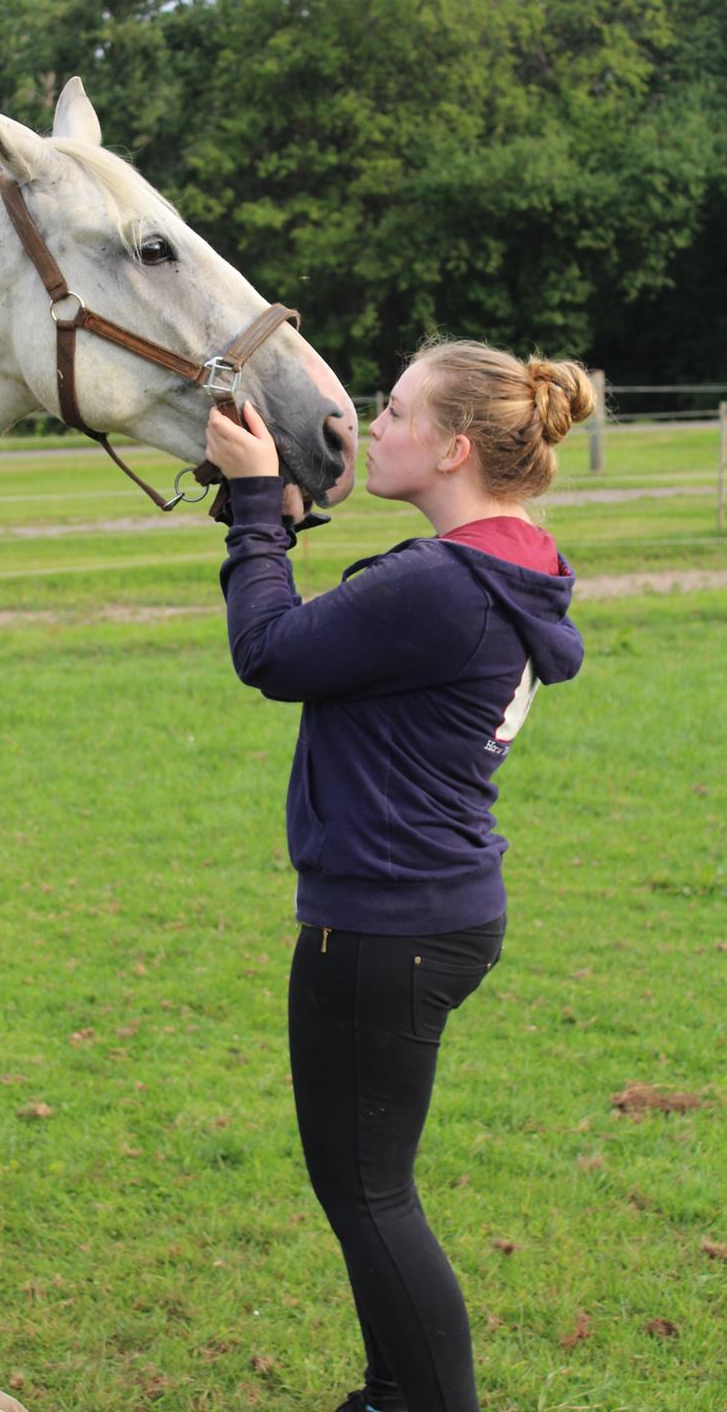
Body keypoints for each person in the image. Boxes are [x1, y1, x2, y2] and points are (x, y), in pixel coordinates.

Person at [203, 338, 595, 1412]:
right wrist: (273, 522)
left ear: (453, 447)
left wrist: (253, 506)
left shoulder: (436, 583)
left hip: (381, 929)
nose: (366, 425)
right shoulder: (501, 565)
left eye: (394, 411)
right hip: (431, 913)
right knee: (368, 1189)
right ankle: (391, 1393)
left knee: (369, 1194)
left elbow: (270, 653)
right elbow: (320, 642)